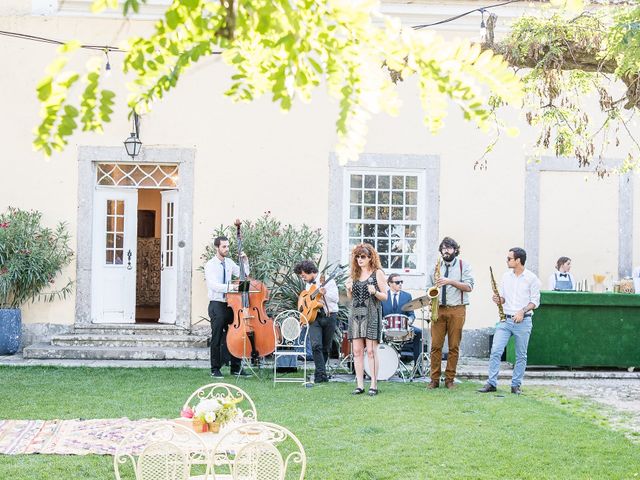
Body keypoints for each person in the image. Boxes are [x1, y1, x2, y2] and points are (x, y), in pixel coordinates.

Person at [478, 247, 541, 395]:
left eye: (509, 258)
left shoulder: (532, 278)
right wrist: (499, 300)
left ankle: (516, 385)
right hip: (505, 320)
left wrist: (522, 311)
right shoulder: (506, 276)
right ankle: (491, 383)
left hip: (523, 320)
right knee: (495, 351)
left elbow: (535, 302)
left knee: (521, 355)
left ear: (518, 260)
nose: (507, 261)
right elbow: (504, 298)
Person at [425, 237, 474, 390]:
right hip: (438, 309)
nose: (446, 251)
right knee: (435, 346)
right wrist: (431, 298)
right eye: (444, 248)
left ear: (455, 250)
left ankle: (450, 380)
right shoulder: (435, 267)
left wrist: (450, 281)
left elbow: (469, 286)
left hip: (457, 309)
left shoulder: (463, 265)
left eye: (449, 248)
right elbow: (428, 289)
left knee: (453, 346)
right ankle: (434, 379)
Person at [345, 243, 388, 396]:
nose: (359, 259)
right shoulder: (354, 274)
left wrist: (375, 291)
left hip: (371, 314)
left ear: (370, 258)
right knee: (357, 351)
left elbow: (385, 296)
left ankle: (374, 384)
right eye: (357, 256)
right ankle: (359, 384)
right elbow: (351, 298)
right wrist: (348, 289)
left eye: (362, 256)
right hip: (356, 314)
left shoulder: (378, 273)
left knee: (370, 351)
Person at [204, 235, 249, 378]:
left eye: (228, 246)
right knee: (216, 337)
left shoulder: (229, 263)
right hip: (217, 304)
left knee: (236, 334)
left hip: (230, 305)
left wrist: (245, 262)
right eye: (224, 246)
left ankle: (236, 368)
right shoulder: (210, 265)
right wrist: (232, 287)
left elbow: (243, 275)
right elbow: (214, 285)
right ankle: (215, 369)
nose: (226, 249)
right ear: (217, 247)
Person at [294, 260, 339, 384]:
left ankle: (319, 375)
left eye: (304, 276)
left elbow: (336, 299)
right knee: (316, 346)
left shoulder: (328, 280)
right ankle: (321, 375)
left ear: (311, 272)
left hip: (329, 316)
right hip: (314, 318)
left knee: (325, 347)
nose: (303, 278)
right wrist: (303, 315)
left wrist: (325, 293)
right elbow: (305, 301)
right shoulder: (309, 285)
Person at [381, 274, 423, 367]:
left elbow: (411, 314)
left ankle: (417, 367)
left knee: (419, 332)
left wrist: (410, 320)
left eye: (401, 282)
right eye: (397, 282)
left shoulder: (407, 296)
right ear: (389, 284)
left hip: (403, 327)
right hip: (387, 328)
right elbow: (379, 314)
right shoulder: (383, 296)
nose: (400, 284)